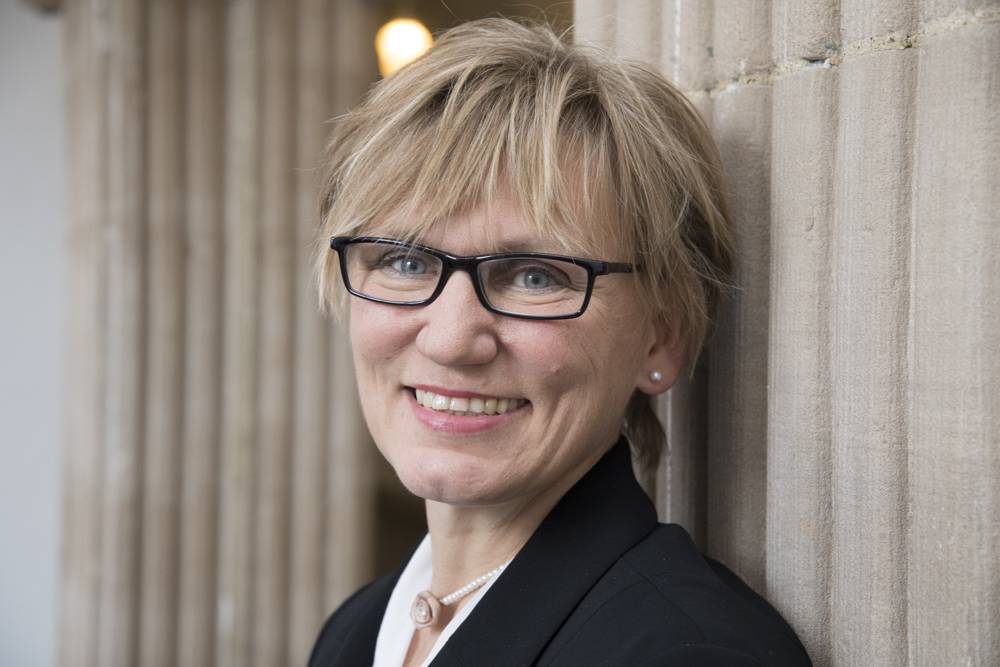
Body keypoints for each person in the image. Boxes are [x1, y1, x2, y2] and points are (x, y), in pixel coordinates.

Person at [308, 18, 811, 667]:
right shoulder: (358, 628)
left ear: (662, 337)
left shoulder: (689, 652)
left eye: (535, 276)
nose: (452, 340)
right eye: (405, 262)